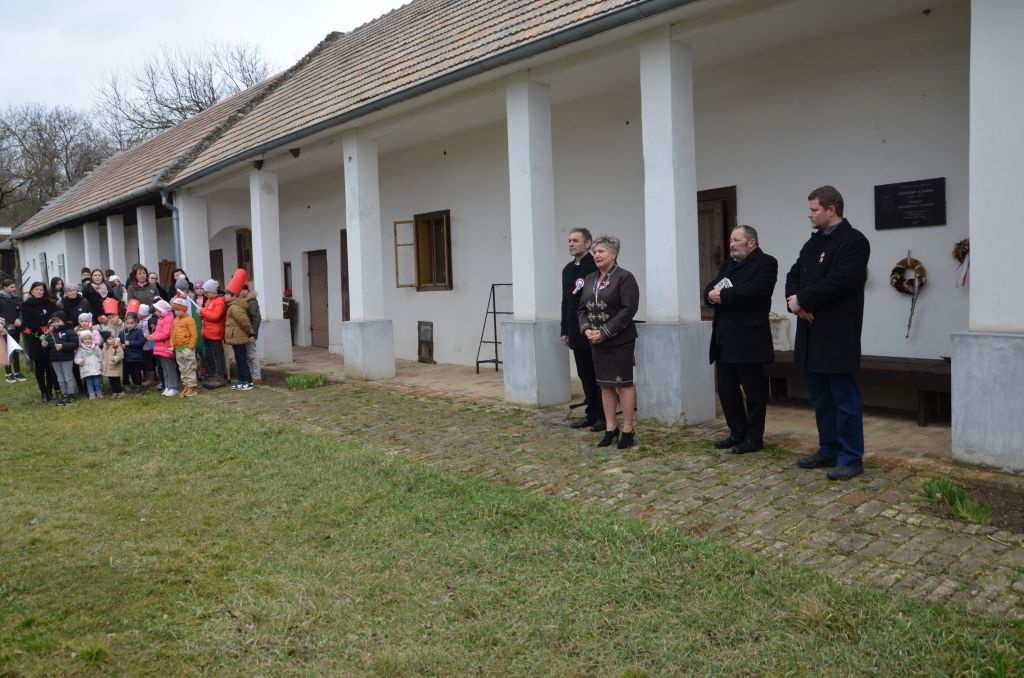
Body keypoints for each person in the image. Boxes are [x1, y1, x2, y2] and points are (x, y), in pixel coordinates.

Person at [786, 185, 871, 481]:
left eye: (814, 209)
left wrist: (804, 300)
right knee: (821, 399)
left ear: (831, 209)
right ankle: (829, 449)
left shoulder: (854, 242)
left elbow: (840, 282)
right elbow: (793, 274)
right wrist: (795, 303)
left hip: (837, 334)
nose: (809, 215)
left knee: (844, 401)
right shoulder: (813, 243)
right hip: (811, 334)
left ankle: (851, 457)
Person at [704, 225, 778, 454]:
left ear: (751, 242)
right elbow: (712, 286)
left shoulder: (766, 263)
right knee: (727, 390)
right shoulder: (729, 264)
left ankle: (754, 438)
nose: (731, 244)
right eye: (730, 240)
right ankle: (737, 432)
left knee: (754, 392)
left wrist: (722, 295)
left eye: (736, 240)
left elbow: (755, 291)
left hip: (749, 339)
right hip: (724, 338)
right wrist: (710, 295)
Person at [577, 235, 640, 449]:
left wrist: (604, 332)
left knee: (623, 384)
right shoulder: (590, 279)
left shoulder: (625, 277)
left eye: (601, 251)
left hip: (620, 340)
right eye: (595, 252)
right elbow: (581, 310)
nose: (596, 255)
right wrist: (587, 329)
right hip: (596, 341)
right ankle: (611, 428)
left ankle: (628, 429)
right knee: (605, 385)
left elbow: (628, 310)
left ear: (614, 254)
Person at [560, 228, 602, 431]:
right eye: (569, 240)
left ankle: (603, 416)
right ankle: (591, 414)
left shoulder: (596, 266)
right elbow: (566, 301)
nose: (571, 244)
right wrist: (564, 329)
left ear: (587, 243)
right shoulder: (567, 269)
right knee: (584, 374)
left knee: (598, 374)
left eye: (575, 240)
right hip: (575, 329)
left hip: (594, 328)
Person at [19, 281, 58, 401]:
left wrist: (50, 327)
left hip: (50, 336)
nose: (39, 292)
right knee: (40, 366)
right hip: (35, 337)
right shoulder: (26, 305)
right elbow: (26, 323)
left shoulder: (49, 303)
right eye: (36, 289)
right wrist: (41, 330)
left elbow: (55, 317)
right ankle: (43, 391)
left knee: (50, 366)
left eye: (41, 289)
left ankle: (50, 389)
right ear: (32, 291)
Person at [224, 287, 255, 390]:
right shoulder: (232, 306)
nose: (225, 296)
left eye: (227, 294)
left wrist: (250, 333)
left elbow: (244, 322)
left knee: (241, 360)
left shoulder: (235, 308)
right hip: (236, 338)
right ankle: (242, 381)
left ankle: (248, 382)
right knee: (239, 360)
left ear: (234, 296)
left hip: (239, 338)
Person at [44, 312, 78, 405]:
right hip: (55, 359)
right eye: (54, 322)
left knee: (68, 377)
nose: (56, 323)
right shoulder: (51, 334)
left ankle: (70, 395)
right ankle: (64, 394)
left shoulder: (69, 331)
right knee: (60, 378)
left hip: (66, 359)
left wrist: (63, 346)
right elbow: (49, 348)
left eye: (58, 321)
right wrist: (45, 345)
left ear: (63, 320)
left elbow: (74, 344)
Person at [199, 279, 227, 388]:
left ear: (212, 291)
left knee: (217, 357)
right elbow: (207, 315)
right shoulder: (209, 301)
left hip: (215, 334)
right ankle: (212, 376)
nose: (205, 294)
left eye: (206, 292)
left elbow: (215, 317)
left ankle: (219, 377)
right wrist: (202, 314)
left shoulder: (220, 301)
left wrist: (202, 311)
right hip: (207, 333)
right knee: (208, 356)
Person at [171, 297, 199, 397]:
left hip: (187, 348)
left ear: (184, 309)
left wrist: (190, 347)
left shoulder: (190, 320)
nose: (176, 312)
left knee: (190, 367)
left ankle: (191, 387)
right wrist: (172, 345)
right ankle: (185, 385)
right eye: (175, 310)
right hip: (178, 349)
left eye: (178, 310)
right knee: (182, 368)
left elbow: (194, 334)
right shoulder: (175, 320)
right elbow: (172, 333)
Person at [151, 299, 179, 397]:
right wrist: (152, 335)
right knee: (165, 369)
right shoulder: (161, 319)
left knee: (170, 368)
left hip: (166, 347)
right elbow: (157, 331)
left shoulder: (169, 318)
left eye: (157, 310)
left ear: (162, 310)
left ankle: (174, 387)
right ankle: (167, 386)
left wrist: (154, 337)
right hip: (160, 347)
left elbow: (166, 333)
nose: (155, 312)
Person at [0, 278, 26, 382]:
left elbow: (20, 311)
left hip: (16, 328)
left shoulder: (15, 298)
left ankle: (17, 372)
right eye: (12, 287)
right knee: (7, 351)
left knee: (15, 349)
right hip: (4, 329)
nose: (14, 289)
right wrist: (7, 325)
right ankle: (8, 374)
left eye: (14, 287)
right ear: (4, 287)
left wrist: (19, 319)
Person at [241, 284, 262, 385]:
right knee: (247, 355)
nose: (242, 292)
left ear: (247, 290)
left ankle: (257, 377)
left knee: (252, 354)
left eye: (244, 290)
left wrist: (253, 333)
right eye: (240, 290)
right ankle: (252, 375)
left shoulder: (251, 302)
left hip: (250, 333)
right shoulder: (242, 301)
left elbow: (256, 318)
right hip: (244, 332)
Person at [121, 313, 147, 393]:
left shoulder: (138, 332)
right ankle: (128, 384)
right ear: (124, 323)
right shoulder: (122, 333)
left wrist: (130, 343)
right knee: (127, 371)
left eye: (131, 323)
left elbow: (141, 342)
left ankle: (138, 385)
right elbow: (120, 342)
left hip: (136, 357)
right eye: (127, 323)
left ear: (135, 323)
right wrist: (121, 345)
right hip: (126, 357)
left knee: (135, 372)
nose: (129, 325)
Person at [74, 330, 103, 399]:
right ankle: (91, 394)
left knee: (97, 382)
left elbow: (101, 356)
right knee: (89, 383)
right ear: (82, 340)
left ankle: (99, 393)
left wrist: (101, 364)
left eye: (89, 339)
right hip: (86, 369)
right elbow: (76, 360)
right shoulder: (80, 349)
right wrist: (81, 360)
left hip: (96, 368)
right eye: (85, 339)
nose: (88, 340)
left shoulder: (95, 347)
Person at [101, 330, 125, 399]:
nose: (112, 340)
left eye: (112, 338)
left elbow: (120, 354)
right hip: (108, 367)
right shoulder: (104, 348)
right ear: (105, 341)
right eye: (109, 339)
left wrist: (115, 358)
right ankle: (114, 391)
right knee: (111, 380)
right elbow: (103, 357)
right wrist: (103, 364)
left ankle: (120, 392)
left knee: (116, 380)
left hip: (115, 367)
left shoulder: (116, 346)